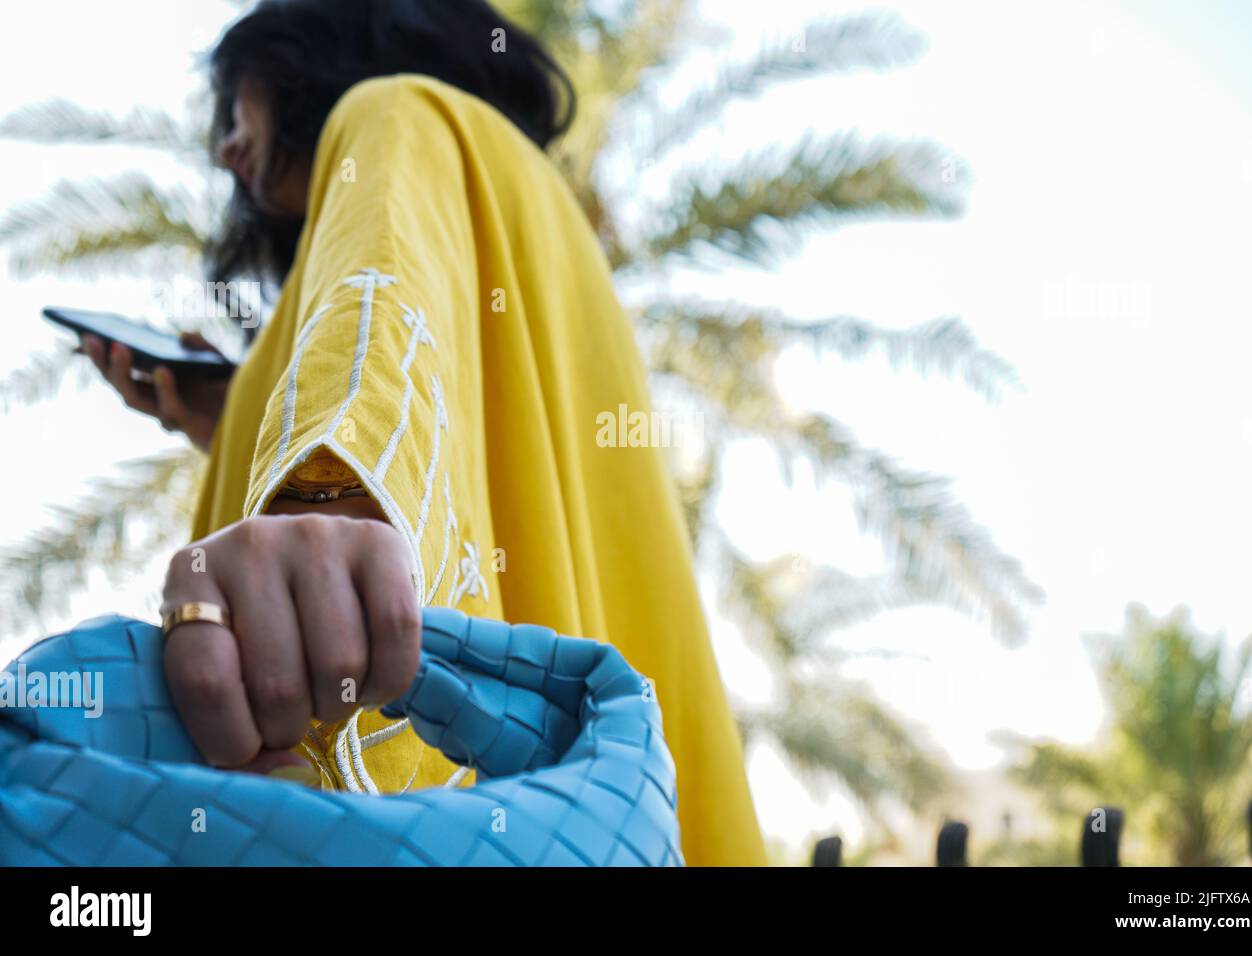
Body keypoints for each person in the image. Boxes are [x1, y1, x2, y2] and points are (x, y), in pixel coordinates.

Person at [77, 0, 765, 866]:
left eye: (234, 104)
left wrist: (327, 505)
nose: (224, 147)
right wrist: (225, 419)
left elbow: (382, 333)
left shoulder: (395, 111)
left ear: (311, 48)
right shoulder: (531, 207)